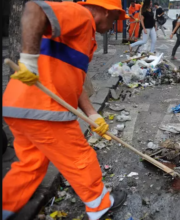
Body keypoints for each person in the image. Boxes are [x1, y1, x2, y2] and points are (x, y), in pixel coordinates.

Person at [2, 0, 130, 219]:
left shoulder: (85, 35)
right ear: (105, 11)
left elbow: (75, 84)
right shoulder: (79, 14)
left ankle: (6, 206)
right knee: (80, 158)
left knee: (31, 164)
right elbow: (35, 8)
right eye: (116, 18)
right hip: (44, 108)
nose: (115, 24)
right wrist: (29, 62)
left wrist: (92, 115)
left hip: (20, 106)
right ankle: (100, 204)